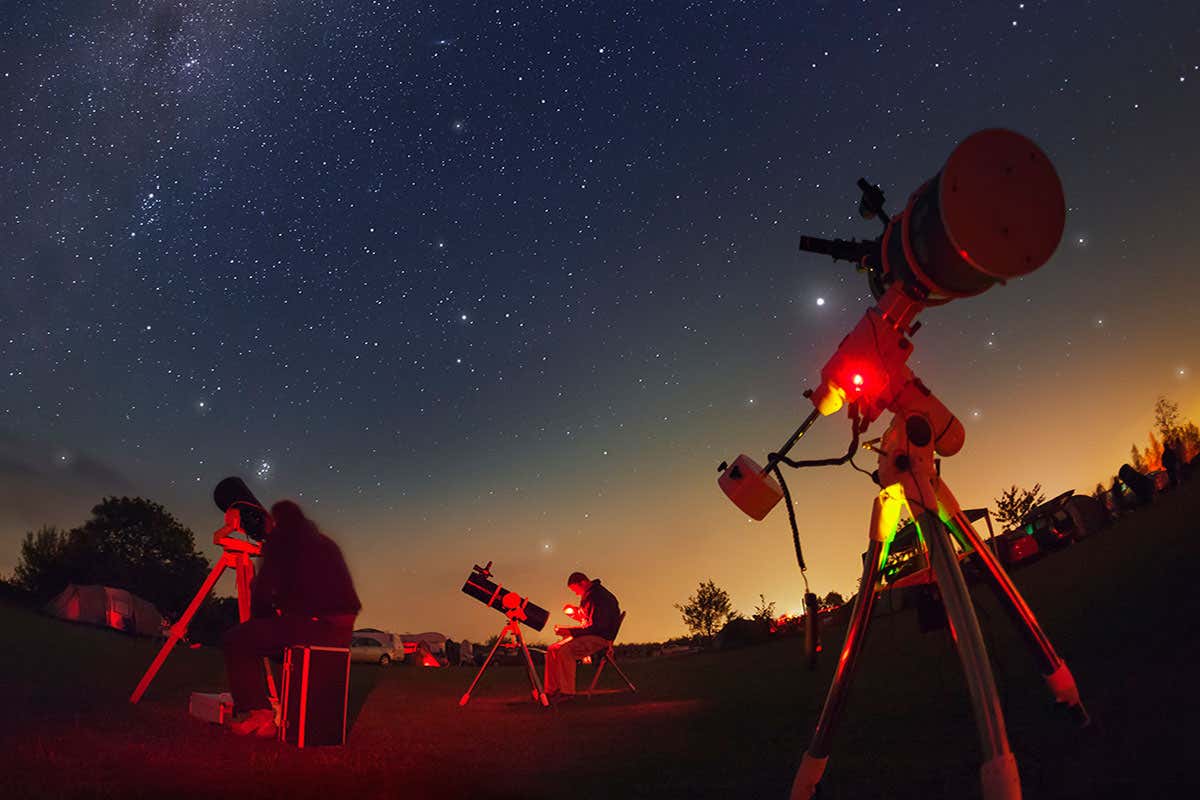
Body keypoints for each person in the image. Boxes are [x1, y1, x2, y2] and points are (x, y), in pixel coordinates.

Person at [223, 500, 361, 736]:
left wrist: (261, 620)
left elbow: (263, 593)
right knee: (275, 643)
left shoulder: (281, 540)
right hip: (342, 631)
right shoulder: (325, 543)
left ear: (275, 521)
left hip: (315, 625)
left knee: (238, 639)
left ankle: (259, 715)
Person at [543, 571, 620, 702]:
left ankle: (567, 692)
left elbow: (598, 627)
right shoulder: (591, 595)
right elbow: (589, 620)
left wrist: (570, 631)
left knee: (565, 651)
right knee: (552, 649)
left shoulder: (600, 597)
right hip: (592, 633)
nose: (576, 593)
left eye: (575, 590)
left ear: (583, 583)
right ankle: (551, 690)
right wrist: (575, 613)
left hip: (600, 638)